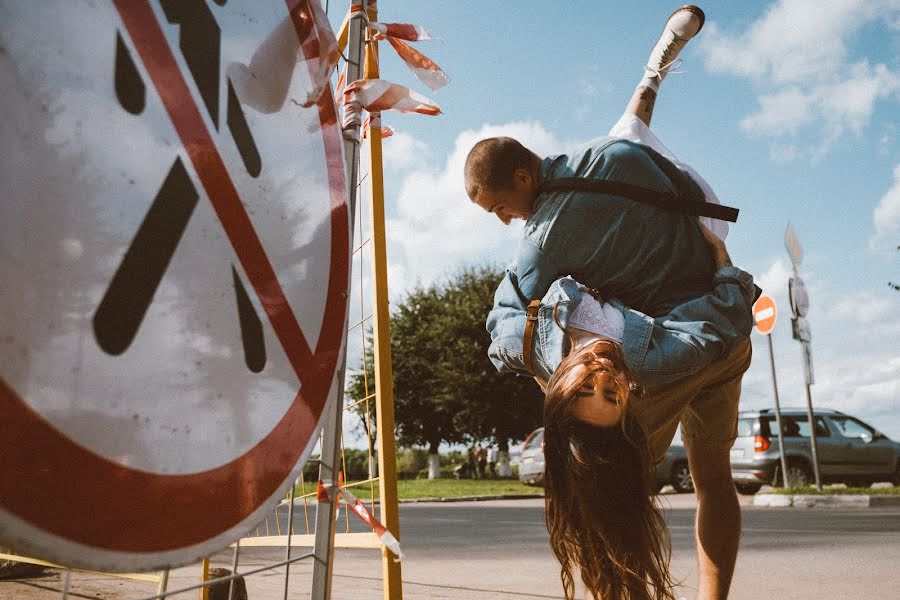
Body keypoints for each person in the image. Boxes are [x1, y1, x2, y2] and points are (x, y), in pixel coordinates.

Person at [464, 6, 749, 599]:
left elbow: (502, 320)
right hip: (724, 340)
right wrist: (727, 275)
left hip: (676, 345)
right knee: (713, 478)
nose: (505, 220)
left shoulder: (542, 238)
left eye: (499, 207)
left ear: (522, 178)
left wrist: (552, 349)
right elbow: (640, 109)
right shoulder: (610, 154)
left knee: (610, 494)